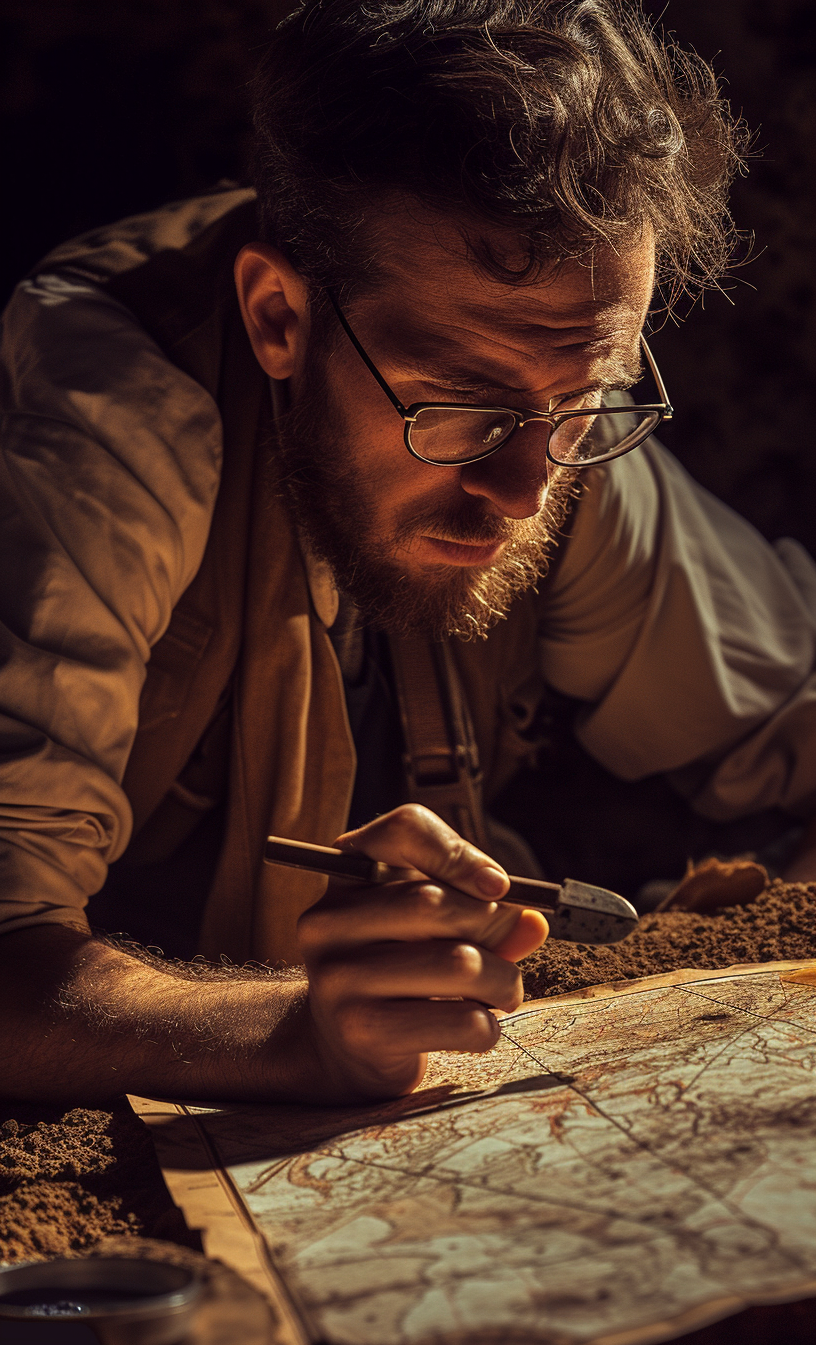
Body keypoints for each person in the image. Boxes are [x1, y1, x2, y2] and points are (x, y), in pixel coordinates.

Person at [2, 0, 816, 1107]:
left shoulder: (551, 413)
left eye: (583, 399)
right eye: (459, 409)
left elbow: (793, 718)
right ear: (279, 318)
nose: (527, 493)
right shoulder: (119, 411)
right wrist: (289, 1035)